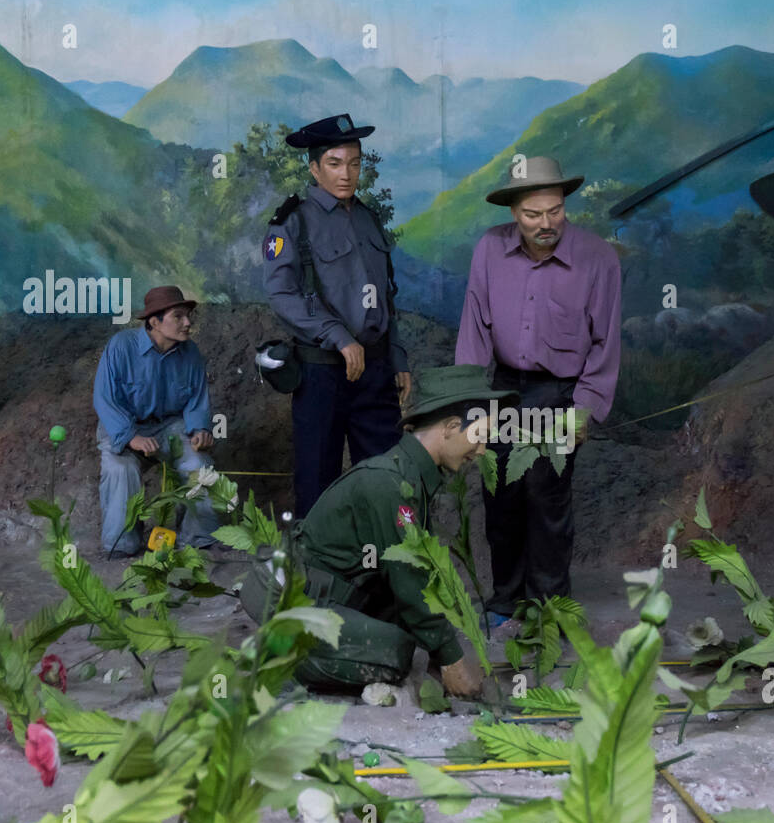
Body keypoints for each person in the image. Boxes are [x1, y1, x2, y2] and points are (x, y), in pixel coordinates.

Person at [239, 365, 519, 697]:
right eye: (479, 436)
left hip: (335, 591)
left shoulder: (411, 475)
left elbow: (420, 580)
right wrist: (451, 661)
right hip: (291, 595)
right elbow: (410, 581)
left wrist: (438, 647)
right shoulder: (390, 484)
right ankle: (278, 653)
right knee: (392, 653)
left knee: (416, 623)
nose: (482, 450)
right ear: (450, 427)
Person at [455, 155, 621, 624]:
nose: (546, 223)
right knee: (500, 493)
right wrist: (473, 405)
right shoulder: (489, 249)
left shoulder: (597, 258)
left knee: (545, 494)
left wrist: (583, 409)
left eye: (555, 211)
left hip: (559, 392)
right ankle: (506, 599)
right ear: (513, 213)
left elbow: (606, 341)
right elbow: (474, 330)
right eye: (533, 214)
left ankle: (550, 607)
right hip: (504, 389)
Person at [263, 112, 412, 516]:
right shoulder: (292, 223)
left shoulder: (367, 219)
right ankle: (319, 576)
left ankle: (381, 571)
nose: (346, 174)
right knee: (318, 483)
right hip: (322, 373)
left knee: (387, 477)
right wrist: (337, 335)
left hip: (376, 372)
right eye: (334, 163)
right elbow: (282, 295)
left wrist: (396, 356)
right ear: (314, 168)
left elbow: (386, 295)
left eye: (354, 163)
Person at [92, 285, 220, 557]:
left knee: (199, 464)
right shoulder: (121, 347)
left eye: (188, 316)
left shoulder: (191, 353)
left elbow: (197, 401)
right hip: (124, 426)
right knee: (120, 470)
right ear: (154, 322)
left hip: (168, 427)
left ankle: (197, 539)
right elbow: (104, 399)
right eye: (178, 316)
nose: (187, 323)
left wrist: (200, 429)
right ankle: (122, 545)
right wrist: (130, 436)